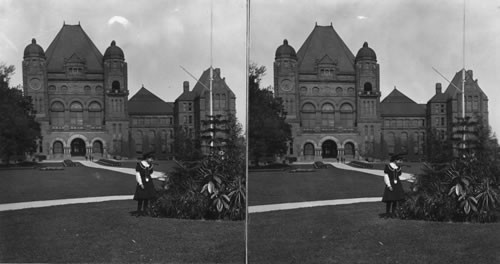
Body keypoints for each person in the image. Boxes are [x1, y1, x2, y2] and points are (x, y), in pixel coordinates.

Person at [133, 152, 157, 217]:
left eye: (152, 159)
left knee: (147, 197)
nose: (152, 160)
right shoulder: (140, 164)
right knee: (141, 197)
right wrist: (140, 183)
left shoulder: (150, 165)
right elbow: (138, 174)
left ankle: (144, 211)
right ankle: (138, 211)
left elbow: (150, 173)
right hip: (142, 181)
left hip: (149, 182)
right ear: (147, 158)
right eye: (151, 159)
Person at [381, 154, 405, 218]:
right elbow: (386, 176)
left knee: (395, 199)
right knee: (389, 200)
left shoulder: (398, 167)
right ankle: (387, 213)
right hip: (391, 184)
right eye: (399, 160)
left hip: (397, 184)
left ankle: (393, 213)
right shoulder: (388, 166)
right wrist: (389, 185)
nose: (400, 162)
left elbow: (398, 176)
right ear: (395, 160)